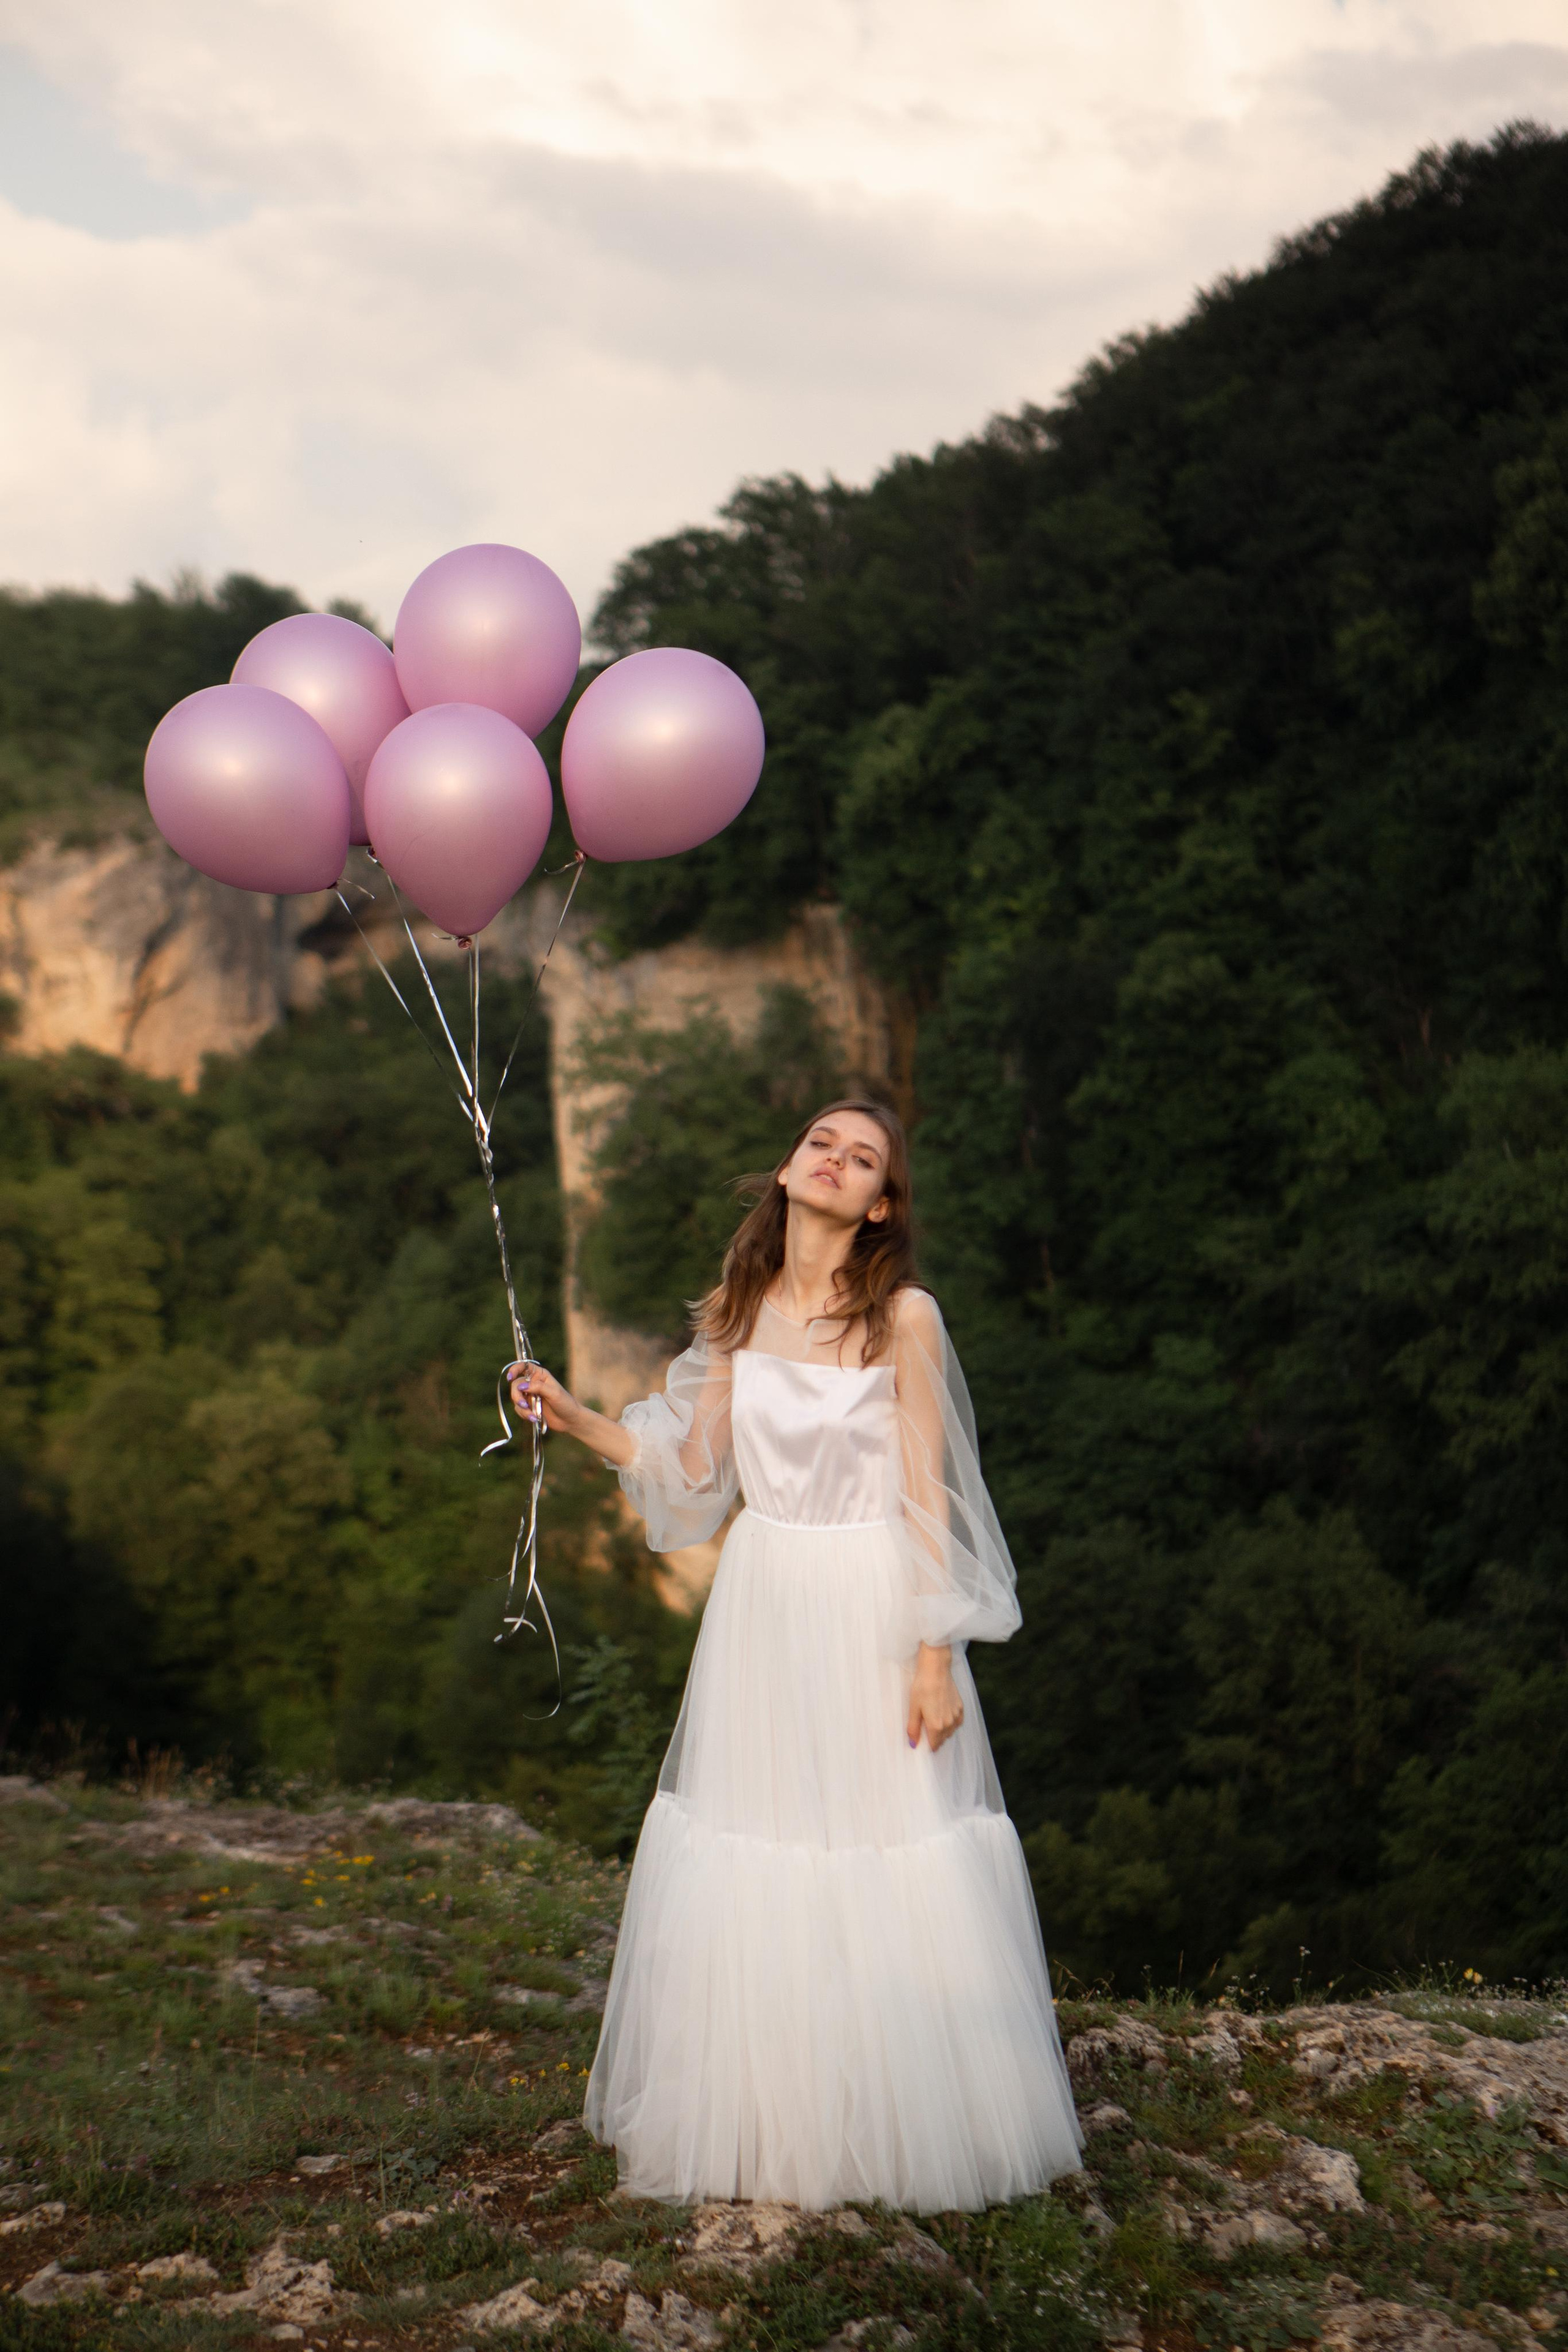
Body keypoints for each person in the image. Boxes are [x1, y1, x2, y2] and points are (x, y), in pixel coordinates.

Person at [510, 1096, 1082, 2214]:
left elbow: (929, 1495)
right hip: (764, 1600)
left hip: (874, 1601)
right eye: (822, 1142)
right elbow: (692, 1470)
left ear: (881, 1206)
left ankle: (910, 2120)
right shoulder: (743, 1309)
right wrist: (575, 1417)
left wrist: (934, 1653)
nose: (835, 1160)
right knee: (761, 1836)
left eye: (862, 1158)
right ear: (786, 1169)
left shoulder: (904, 1317)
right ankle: (781, 2123)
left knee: (887, 1836)